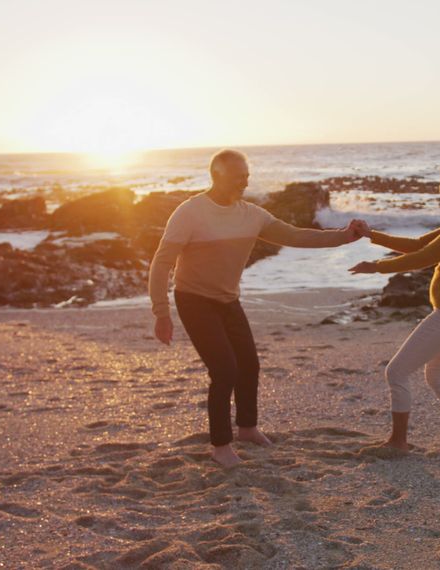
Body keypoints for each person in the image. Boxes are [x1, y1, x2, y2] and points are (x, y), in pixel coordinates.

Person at [149, 149, 362, 468]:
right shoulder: (190, 212)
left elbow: (295, 236)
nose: (244, 182)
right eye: (239, 176)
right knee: (224, 370)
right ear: (217, 176)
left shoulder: (252, 215)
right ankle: (220, 445)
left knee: (248, 364)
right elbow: (162, 262)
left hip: (227, 298)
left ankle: (247, 428)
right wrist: (161, 312)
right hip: (193, 299)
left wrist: (343, 237)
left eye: (247, 176)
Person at [349, 156, 440, 459]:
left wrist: (375, 267)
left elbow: (423, 258)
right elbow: (416, 246)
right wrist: (371, 235)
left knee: (396, 372)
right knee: (437, 376)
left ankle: (398, 442)